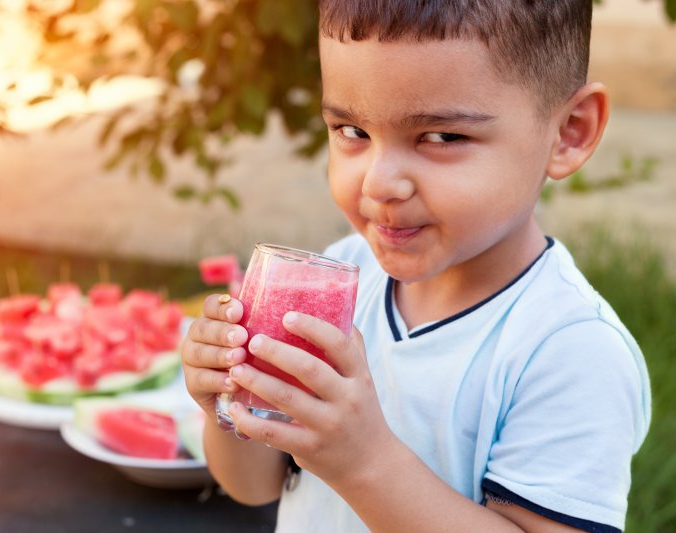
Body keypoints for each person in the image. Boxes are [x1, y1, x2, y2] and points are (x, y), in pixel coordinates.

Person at [180, 1, 651, 531]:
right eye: (352, 131)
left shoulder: (569, 349)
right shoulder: (339, 278)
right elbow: (252, 485)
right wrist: (227, 401)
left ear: (569, 131)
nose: (379, 183)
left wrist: (363, 463)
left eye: (442, 136)